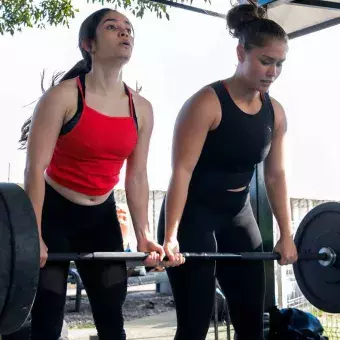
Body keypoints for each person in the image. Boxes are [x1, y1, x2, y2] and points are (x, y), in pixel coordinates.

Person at [18, 8, 165, 340]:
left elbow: (137, 176)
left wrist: (142, 236)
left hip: (101, 216)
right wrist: (35, 233)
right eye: (112, 27)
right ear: (89, 44)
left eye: (128, 29)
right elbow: (35, 168)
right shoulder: (63, 97)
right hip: (54, 213)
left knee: (112, 315)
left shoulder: (141, 108)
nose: (124, 33)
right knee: (47, 316)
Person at [157, 3, 298, 340]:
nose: (272, 72)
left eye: (279, 64)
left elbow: (275, 175)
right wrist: (171, 236)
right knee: (194, 324)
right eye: (265, 61)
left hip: (239, 214)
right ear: (240, 52)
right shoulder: (206, 103)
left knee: (252, 322)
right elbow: (181, 171)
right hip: (194, 215)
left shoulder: (275, 113)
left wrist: (287, 233)